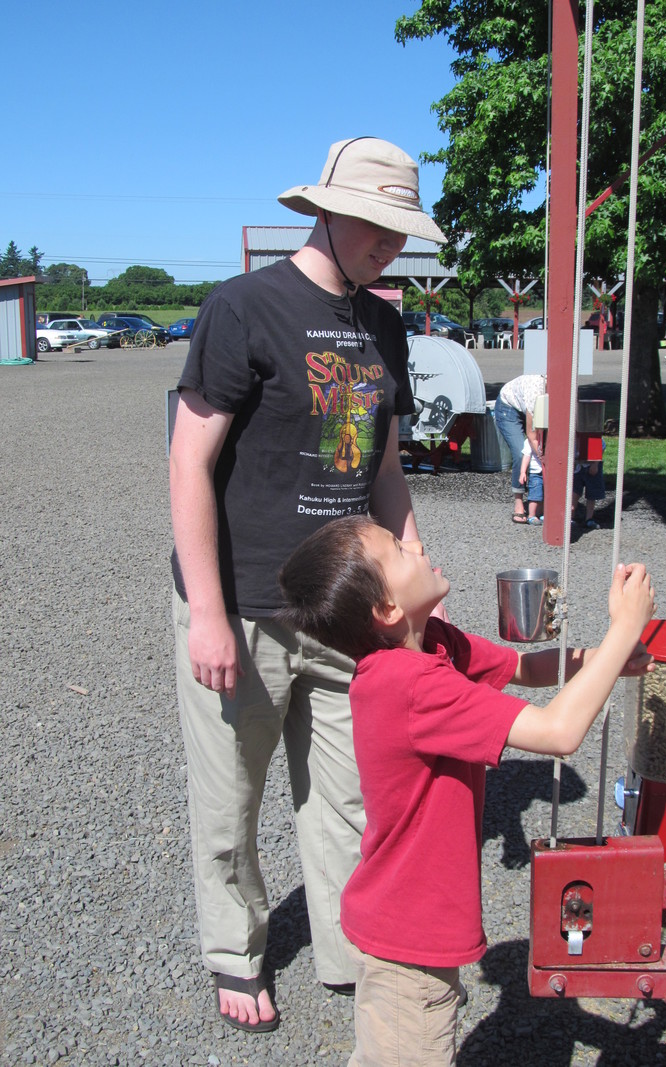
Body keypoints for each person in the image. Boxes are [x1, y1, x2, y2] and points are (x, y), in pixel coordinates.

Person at [169, 137, 446, 1033]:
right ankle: (236, 952)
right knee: (230, 796)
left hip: (347, 599)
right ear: (326, 209)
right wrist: (207, 613)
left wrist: (412, 577)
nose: (390, 244)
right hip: (244, 600)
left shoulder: (386, 323)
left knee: (349, 792)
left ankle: (348, 942)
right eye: (378, 224)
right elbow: (188, 464)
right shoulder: (243, 307)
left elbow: (388, 466)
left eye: (401, 229)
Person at [277, 514, 656, 1067]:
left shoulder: (431, 646)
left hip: (406, 925)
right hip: (408, 941)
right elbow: (558, 732)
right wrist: (624, 627)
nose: (417, 542)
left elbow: (526, 668)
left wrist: (606, 660)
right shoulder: (410, 685)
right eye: (398, 550)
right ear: (386, 612)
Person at [492, 374, 547, 523]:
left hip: (527, 407)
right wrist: (543, 458)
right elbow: (531, 434)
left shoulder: (560, 394)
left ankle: (540, 499)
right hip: (508, 407)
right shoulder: (536, 392)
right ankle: (519, 503)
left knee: (546, 447)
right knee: (520, 453)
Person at [572, 442, 606, 530]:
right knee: (574, 493)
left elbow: (600, 446)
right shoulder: (572, 435)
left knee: (592, 494)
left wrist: (595, 464)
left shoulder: (593, 433)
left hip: (590, 464)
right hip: (576, 466)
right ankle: (570, 517)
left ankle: (589, 519)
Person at [519, 434, 545, 524]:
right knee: (535, 494)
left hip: (548, 472)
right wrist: (523, 472)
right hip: (536, 472)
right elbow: (526, 456)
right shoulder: (529, 441)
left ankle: (542, 513)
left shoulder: (549, 439)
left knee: (545, 494)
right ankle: (531, 515)